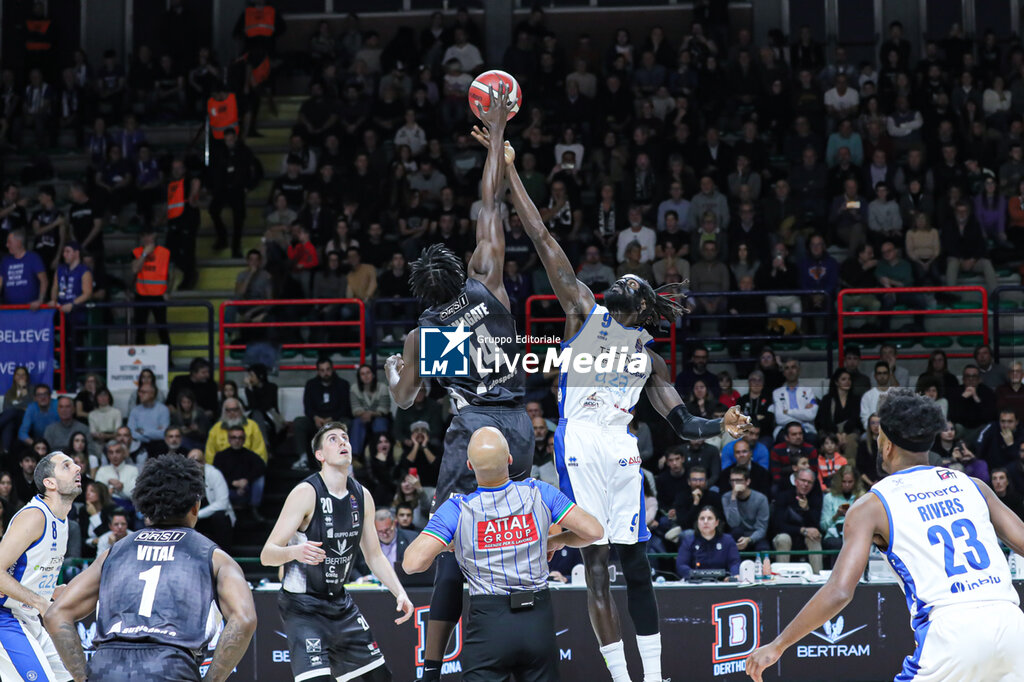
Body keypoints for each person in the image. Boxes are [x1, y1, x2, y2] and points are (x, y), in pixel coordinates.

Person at [489, 123, 750, 682]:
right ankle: (622, 677)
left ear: (643, 301)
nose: (620, 277)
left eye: (631, 278)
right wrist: (509, 170)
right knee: (597, 563)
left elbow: (684, 424)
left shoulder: (649, 359)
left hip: (622, 451)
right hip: (581, 438)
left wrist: (722, 426)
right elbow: (542, 238)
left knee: (636, 566)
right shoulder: (584, 309)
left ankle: (653, 678)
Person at [384, 86, 537, 681]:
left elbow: (404, 400)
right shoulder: (488, 282)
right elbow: (488, 204)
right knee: (517, 524)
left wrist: (398, 377)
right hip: (519, 424)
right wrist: (497, 137)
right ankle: (520, 624)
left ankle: (433, 660)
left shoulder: (423, 334)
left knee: (450, 539)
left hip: (472, 429)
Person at [746, 388, 1024, 682]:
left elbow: (839, 591)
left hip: (950, 631)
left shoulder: (872, 505)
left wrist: (779, 644)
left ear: (887, 444)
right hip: (1011, 623)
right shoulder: (973, 486)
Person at [403, 426, 603, 681]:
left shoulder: (457, 509)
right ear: (510, 460)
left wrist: (450, 543)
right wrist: (553, 541)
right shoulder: (539, 491)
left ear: (469, 466)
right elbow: (594, 531)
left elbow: (412, 563)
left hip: (489, 625)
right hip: (537, 619)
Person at [45, 453, 256, 682]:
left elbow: (56, 614)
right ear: (195, 506)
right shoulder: (214, 556)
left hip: (107, 667)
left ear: (144, 507)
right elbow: (244, 619)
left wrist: (81, 677)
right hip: (171, 666)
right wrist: (213, 680)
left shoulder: (112, 553)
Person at [260, 422, 413, 682]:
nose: (343, 442)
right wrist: (295, 552)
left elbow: (374, 555)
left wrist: (400, 591)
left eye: (345, 437)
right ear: (320, 455)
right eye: (333, 439)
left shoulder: (362, 495)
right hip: (303, 607)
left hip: (340, 604)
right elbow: (267, 554)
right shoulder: (305, 492)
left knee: (380, 678)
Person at [0, 451, 81, 682]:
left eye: (75, 464)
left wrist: (51, 592)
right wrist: (41, 601)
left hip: (28, 617)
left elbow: (25, 573)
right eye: (67, 466)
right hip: (5, 617)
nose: (77, 468)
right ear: (49, 483)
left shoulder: (63, 520)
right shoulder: (35, 516)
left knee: (75, 677)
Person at [771, 467, 824, 572]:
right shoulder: (783, 496)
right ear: (796, 481)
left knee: (815, 537)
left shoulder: (815, 498)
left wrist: (806, 509)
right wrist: (802, 530)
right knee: (783, 538)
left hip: (806, 538)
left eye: (809, 482)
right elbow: (778, 525)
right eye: (803, 481)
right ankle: (782, 577)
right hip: (785, 534)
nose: (805, 485)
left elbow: (815, 525)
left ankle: (817, 578)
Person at [131, 225, 171, 345]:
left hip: (159, 296)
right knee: (140, 331)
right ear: (141, 237)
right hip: (141, 295)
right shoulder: (136, 252)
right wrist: (144, 254)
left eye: (150, 234)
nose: (147, 238)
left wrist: (169, 291)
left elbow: (173, 273)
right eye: (144, 235)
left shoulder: (165, 252)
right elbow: (135, 270)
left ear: (155, 235)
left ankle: (168, 361)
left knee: (162, 330)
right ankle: (138, 361)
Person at [675, 505, 740, 580]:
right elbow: (681, 565)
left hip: (722, 583)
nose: (705, 522)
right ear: (698, 522)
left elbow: (734, 562)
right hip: (695, 584)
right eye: (702, 519)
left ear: (716, 522)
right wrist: (693, 574)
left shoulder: (727, 540)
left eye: (709, 518)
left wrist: (734, 575)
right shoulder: (688, 540)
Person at [819, 464, 865, 555]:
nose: (847, 485)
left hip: (855, 533)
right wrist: (836, 515)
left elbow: (867, 523)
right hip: (834, 535)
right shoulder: (829, 498)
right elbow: (823, 526)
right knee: (839, 544)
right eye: (844, 482)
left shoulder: (861, 497)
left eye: (850, 482)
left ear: (855, 482)